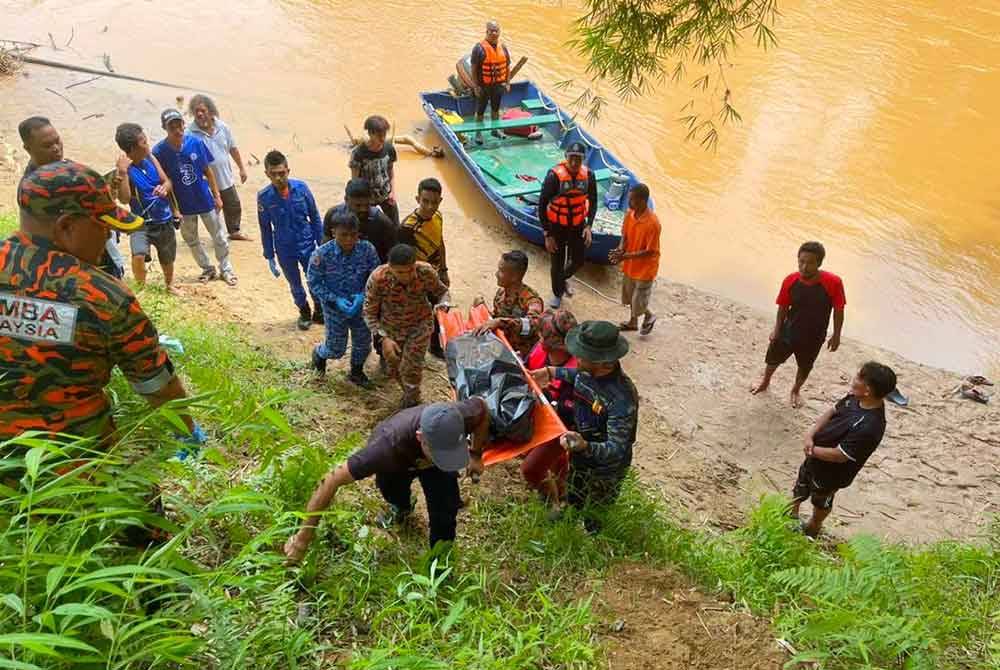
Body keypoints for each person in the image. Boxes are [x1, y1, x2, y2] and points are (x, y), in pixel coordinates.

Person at [0, 160, 201, 443]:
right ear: (67, 227)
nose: (108, 236)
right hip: (74, 469)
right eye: (103, 226)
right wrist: (188, 431)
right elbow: (157, 386)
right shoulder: (104, 297)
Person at [283, 399, 489, 563]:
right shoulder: (385, 447)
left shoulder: (460, 415)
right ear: (420, 437)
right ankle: (401, 508)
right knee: (392, 490)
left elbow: (483, 408)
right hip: (399, 462)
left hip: (431, 467)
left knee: (445, 513)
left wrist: (476, 454)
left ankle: (440, 563)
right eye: (440, 454)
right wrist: (302, 540)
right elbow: (330, 480)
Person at [529, 321, 639, 532]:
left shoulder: (622, 399)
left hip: (604, 471)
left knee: (595, 513)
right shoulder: (589, 371)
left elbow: (616, 449)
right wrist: (551, 372)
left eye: (583, 355)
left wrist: (584, 446)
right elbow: (577, 376)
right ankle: (569, 518)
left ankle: (592, 538)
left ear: (604, 363)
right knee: (574, 492)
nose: (576, 357)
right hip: (581, 456)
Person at [792, 361, 896, 537]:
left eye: (858, 377)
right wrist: (811, 433)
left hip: (831, 474)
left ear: (868, 389)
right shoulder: (854, 397)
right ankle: (791, 515)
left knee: (821, 500)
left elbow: (840, 456)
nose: (853, 379)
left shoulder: (870, 427)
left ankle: (812, 528)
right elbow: (832, 412)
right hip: (814, 458)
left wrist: (812, 450)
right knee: (800, 486)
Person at [18, 116, 124, 279]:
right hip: (71, 259)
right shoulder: (31, 188)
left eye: (57, 141)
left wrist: (109, 188)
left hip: (96, 248)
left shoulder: (67, 167)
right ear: (28, 148)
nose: (56, 148)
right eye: (47, 145)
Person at [750, 241, 846, 408]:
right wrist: (777, 330)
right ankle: (765, 381)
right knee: (773, 358)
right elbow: (783, 307)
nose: (804, 266)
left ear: (819, 263)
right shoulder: (790, 280)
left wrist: (836, 335)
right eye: (801, 261)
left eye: (810, 263)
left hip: (814, 335)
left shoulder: (833, 282)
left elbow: (839, 310)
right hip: (789, 329)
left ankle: (795, 390)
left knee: (805, 365)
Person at [152, 108, 237, 286]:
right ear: (164, 128)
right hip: (183, 205)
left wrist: (217, 196)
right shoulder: (159, 152)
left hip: (204, 199)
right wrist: (174, 209)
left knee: (219, 236)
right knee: (191, 240)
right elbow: (163, 181)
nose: (177, 129)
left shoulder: (196, 143)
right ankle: (207, 269)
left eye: (179, 124)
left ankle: (226, 268)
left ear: (184, 124)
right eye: (172, 126)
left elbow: (208, 171)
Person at [363, 243, 450, 409]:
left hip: (420, 325)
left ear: (415, 264)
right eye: (400, 272)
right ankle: (407, 391)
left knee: (411, 367)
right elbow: (369, 312)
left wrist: (443, 303)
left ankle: (412, 402)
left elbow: (442, 291)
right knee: (394, 366)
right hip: (390, 329)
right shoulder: (378, 278)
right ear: (390, 267)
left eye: (410, 270)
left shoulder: (425, 272)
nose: (406, 276)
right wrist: (383, 338)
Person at [307, 212, 380, 388]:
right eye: (343, 235)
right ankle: (319, 354)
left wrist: (363, 295)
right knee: (335, 348)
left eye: (353, 234)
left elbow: (377, 277)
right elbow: (314, 282)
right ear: (333, 233)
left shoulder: (367, 250)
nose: (349, 239)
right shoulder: (321, 254)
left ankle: (356, 372)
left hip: (361, 307)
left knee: (363, 344)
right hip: (334, 309)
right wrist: (335, 299)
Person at [257, 150, 324, 330]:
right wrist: (269, 256)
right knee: (295, 284)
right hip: (284, 249)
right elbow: (265, 227)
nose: (279, 178)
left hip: (307, 244)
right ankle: (304, 311)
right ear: (267, 174)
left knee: (314, 280)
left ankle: (319, 310)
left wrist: (323, 245)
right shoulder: (264, 197)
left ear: (288, 170)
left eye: (282, 173)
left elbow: (315, 217)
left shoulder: (302, 189)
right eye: (274, 174)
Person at [520, 309, 579, 505]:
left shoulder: (577, 372)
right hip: (539, 414)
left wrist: (547, 400)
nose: (538, 336)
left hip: (561, 427)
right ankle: (563, 490)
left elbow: (572, 412)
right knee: (553, 460)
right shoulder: (539, 351)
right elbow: (526, 367)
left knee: (531, 469)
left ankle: (551, 503)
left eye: (542, 334)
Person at [113, 123, 180, 294]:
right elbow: (124, 198)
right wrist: (122, 174)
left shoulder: (150, 157)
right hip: (141, 222)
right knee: (138, 255)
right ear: (132, 148)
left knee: (167, 257)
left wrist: (164, 188)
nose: (147, 143)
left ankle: (169, 285)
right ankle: (140, 288)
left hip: (163, 218)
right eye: (143, 141)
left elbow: (168, 181)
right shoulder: (125, 169)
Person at [538, 142, 598, 308]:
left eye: (578, 159)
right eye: (571, 158)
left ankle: (562, 280)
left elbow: (593, 202)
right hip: (556, 226)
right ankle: (557, 293)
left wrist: (588, 226)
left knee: (578, 260)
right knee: (557, 262)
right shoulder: (554, 177)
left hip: (578, 224)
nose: (574, 163)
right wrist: (547, 234)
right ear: (566, 157)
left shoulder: (589, 176)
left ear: (583, 160)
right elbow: (542, 205)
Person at [187, 94, 252, 241]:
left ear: (211, 111)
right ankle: (217, 236)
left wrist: (241, 168)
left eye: (202, 110)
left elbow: (233, 149)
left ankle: (234, 231)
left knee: (233, 205)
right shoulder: (190, 134)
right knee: (213, 210)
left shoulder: (223, 127)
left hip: (225, 177)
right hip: (205, 181)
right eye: (196, 111)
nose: (199, 114)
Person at [399, 178, 449, 357]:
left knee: (438, 310)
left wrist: (444, 270)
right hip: (418, 278)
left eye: (434, 202)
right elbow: (405, 261)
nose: (429, 206)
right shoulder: (407, 228)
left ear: (440, 201)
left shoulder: (438, 216)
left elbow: (440, 243)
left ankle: (435, 346)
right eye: (425, 201)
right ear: (417, 199)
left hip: (435, 274)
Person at [473, 249, 544, 359]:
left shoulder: (531, 300)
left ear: (514, 277)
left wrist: (501, 322)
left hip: (521, 356)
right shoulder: (501, 293)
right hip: (500, 345)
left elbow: (533, 324)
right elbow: (495, 318)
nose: (496, 274)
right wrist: (482, 309)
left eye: (501, 271)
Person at [609, 183, 660, 335]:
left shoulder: (653, 224)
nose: (630, 203)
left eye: (633, 200)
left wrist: (624, 256)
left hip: (645, 268)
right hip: (631, 264)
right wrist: (620, 250)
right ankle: (633, 322)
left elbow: (650, 251)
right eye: (630, 200)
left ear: (643, 201)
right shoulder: (629, 214)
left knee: (639, 298)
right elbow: (625, 235)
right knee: (631, 294)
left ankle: (650, 316)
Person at [323, 178, 397, 264]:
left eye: (367, 205)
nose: (363, 209)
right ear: (346, 199)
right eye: (358, 205)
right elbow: (325, 247)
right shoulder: (332, 215)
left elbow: (393, 255)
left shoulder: (382, 222)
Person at [349, 115, 399, 226]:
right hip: (366, 199)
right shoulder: (358, 153)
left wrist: (393, 193)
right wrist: (357, 203)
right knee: (364, 228)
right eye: (379, 135)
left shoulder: (389, 149)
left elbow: (391, 172)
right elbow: (355, 181)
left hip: (385, 193)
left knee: (395, 226)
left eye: (384, 135)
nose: (382, 138)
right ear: (370, 134)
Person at [470, 20, 511, 145]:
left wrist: (507, 82)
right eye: (491, 31)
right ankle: (478, 133)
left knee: (495, 109)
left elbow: (508, 66)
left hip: (498, 85)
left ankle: (495, 130)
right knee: (480, 111)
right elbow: (474, 69)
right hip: (484, 86)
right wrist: (476, 86)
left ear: (499, 32)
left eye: (496, 30)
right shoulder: (479, 48)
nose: (494, 33)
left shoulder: (503, 47)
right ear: (486, 31)